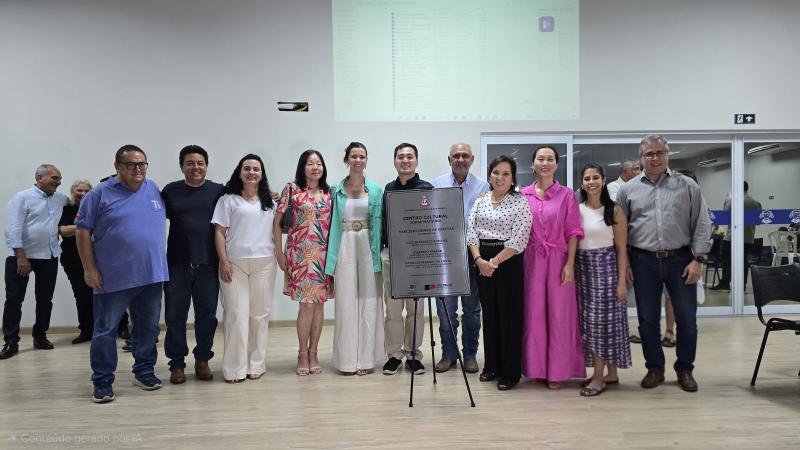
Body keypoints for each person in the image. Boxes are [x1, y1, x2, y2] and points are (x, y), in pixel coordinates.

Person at [617, 135, 711, 393]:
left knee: (687, 319)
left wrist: (698, 259)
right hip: (642, 261)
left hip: (681, 260)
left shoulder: (687, 186)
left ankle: (685, 369)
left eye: (659, 153)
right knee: (647, 320)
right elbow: (621, 230)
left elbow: (702, 224)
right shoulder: (628, 190)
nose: (655, 158)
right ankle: (655, 369)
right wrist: (624, 263)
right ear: (641, 158)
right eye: (649, 154)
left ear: (667, 155)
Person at [76, 145, 168, 403]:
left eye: (142, 164)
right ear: (117, 166)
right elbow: (83, 232)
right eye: (131, 164)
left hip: (151, 275)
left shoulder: (152, 189)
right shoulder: (99, 194)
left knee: (148, 328)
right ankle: (103, 381)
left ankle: (144, 371)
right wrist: (89, 268)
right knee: (105, 331)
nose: (138, 169)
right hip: (112, 277)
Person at [521, 146, 585, 390]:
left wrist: (570, 264)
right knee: (534, 314)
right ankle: (536, 369)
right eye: (540, 158)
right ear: (533, 164)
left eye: (550, 159)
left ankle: (558, 372)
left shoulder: (567, 195)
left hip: (559, 260)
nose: (545, 163)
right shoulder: (523, 195)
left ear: (557, 165)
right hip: (531, 261)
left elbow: (573, 232)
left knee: (559, 316)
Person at [466, 155, 531, 391]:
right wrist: (478, 259)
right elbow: (470, 231)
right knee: (490, 316)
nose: (500, 177)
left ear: (513, 177)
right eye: (496, 172)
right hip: (481, 261)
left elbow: (519, 239)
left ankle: (510, 372)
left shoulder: (520, 202)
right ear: (489, 175)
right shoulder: (481, 200)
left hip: (508, 262)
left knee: (510, 318)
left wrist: (492, 263)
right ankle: (491, 366)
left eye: (505, 173)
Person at [161, 145, 224, 384]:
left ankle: (203, 359)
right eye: (190, 163)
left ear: (206, 166)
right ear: (181, 166)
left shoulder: (218, 191)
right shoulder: (170, 191)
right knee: (175, 316)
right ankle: (176, 364)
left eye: (200, 163)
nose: (195, 167)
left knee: (207, 316)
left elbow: (244, 197)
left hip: (208, 264)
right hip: (176, 264)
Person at [212, 154, 277, 384]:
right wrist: (224, 261)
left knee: (259, 316)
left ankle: (256, 364)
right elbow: (219, 232)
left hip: (265, 263)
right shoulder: (228, 200)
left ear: (262, 174)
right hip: (235, 264)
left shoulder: (270, 201)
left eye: (256, 169)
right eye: (247, 168)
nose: (251, 172)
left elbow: (277, 231)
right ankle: (234, 369)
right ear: (240, 172)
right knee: (237, 316)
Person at [324, 142, 384, 376]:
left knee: (369, 302)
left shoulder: (376, 190)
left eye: (362, 156)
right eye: (354, 156)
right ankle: (347, 361)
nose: (358, 160)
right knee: (346, 302)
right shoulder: (335, 190)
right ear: (346, 159)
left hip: (369, 245)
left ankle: (366, 360)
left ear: (366, 160)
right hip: (345, 245)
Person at [272, 149, 332, 376]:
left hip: (323, 256)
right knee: (305, 305)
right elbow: (277, 223)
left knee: (318, 305)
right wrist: (279, 252)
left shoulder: (329, 193)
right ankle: (302, 353)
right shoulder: (292, 190)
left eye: (319, 163)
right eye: (310, 163)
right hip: (299, 255)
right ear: (302, 167)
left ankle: (314, 352)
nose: (315, 167)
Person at [431, 143, 489, 374]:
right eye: (456, 155)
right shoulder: (436, 185)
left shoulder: (483, 186)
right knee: (446, 309)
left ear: (472, 159)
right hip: (444, 256)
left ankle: (470, 355)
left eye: (465, 155)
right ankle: (448, 354)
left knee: (472, 310)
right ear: (449, 159)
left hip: (472, 255)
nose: (460, 159)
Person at [2, 164, 69, 359]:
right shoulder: (22, 198)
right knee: (14, 300)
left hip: (49, 256)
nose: (59, 182)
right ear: (40, 178)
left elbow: (76, 202)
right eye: (55, 178)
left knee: (45, 299)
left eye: (59, 178)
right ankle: (11, 342)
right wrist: (21, 257)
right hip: (21, 257)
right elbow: (12, 228)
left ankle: (40, 336)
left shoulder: (60, 198)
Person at [575, 163, 631, 397]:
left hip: (607, 272)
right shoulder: (577, 209)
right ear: (581, 183)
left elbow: (621, 249)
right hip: (583, 272)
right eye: (587, 178)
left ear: (604, 180)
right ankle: (611, 373)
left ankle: (598, 378)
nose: (591, 182)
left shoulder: (614, 210)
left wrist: (621, 282)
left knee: (602, 326)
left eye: (595, 177)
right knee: (593, 325)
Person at [380, 143, 434, 376]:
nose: (405, 160)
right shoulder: (389, 189)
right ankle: (394, 355)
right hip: (392, 255)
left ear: (416, 161)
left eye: (409, 156)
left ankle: (413, 355)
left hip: (417, 257)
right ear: (395, 161)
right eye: (400, 156)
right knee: (392, 310)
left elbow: (433, 223)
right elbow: (384, 222)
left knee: (415, 309)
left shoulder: (426, 188)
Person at [58, 179, 94, 345]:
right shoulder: (67, 209)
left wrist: (76, 228)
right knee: (81, 295)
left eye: (87, 190)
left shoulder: (97, 208)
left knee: (107, 293)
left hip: (97, 258)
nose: (83, 194)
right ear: (73, 192)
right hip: (73, 259)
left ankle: (120, 327)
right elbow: (63, 231)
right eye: (79, 190)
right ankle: (86, 330)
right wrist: (86, 226)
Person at [712, 181, 762, 291]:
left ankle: (725, 284)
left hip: (731, 237)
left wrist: (725, 203)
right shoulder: (756, 203)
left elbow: (725, 218)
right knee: (744, 262)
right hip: (748, 238)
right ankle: (742, 286)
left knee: (728, 261)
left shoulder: (732, 202)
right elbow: (758, 222)